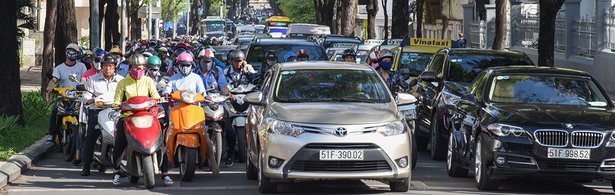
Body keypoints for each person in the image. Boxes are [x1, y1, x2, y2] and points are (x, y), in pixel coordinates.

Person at [111, 54, 173, 186]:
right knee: (119, 143)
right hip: (128, 116)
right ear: (130, 67)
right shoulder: (122, 82)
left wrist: (159, 99)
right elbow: (117, 100)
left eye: (140, 67)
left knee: (160, 142)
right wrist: (116, 105)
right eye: (134, 67)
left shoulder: (148, 81)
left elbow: (155, 96)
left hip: (147, 116)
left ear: (144, 68)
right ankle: (116, 171)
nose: (137, 70)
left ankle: (165, 173)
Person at [80, 54, 124, 176]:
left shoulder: (121, 80)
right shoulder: (93, 79)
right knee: (91, 136)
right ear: (101, 66)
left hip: (116, 111)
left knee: (124, 136)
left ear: (115, 67)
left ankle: (123, 165)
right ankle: (86, 165)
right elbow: (86, 94)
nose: (108, 68)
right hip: (97, 110)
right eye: (105, 66)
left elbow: (126, 95)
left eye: (110, 66)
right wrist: (89, 99)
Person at [45, 43, 88, 143]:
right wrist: (50, 87)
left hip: (78, 97)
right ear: (66, 53)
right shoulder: (59, 68)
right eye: (69, 51)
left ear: (77, 54)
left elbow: (84, 79)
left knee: (85, 114)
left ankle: (85, 134)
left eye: (74, 52)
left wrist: (83, 85)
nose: (71, 53)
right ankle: (51, 134)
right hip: (63, 97)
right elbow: (54, 79)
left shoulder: (82, 66)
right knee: (55, 111)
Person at [223, 50, 256, 166]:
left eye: (240, 61)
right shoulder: (225, 71)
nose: (238, 63)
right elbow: (222, 85)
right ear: (231, 61)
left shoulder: (249, 68)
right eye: (236, 61)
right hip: (231, 99)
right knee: (226, 127)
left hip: (246, 98)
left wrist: (245, 70)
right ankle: (229, 152)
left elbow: (254, 80)